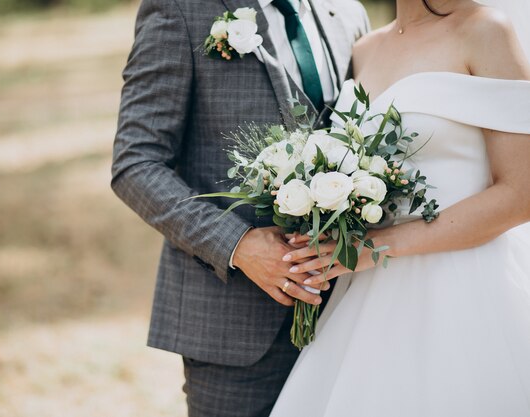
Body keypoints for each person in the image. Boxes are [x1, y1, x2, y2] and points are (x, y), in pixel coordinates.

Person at [269, 0, 530, 415]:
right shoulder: (365, 48)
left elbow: (520, 195)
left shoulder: (485, 31)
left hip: (467, 287)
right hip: (368, 297)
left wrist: (373, 248)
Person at [111, 0, 369, 416]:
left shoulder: (348, 13)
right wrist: (239, 245)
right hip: (234, 330)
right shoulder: (181, 9)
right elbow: (136, 162)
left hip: (350, 318)